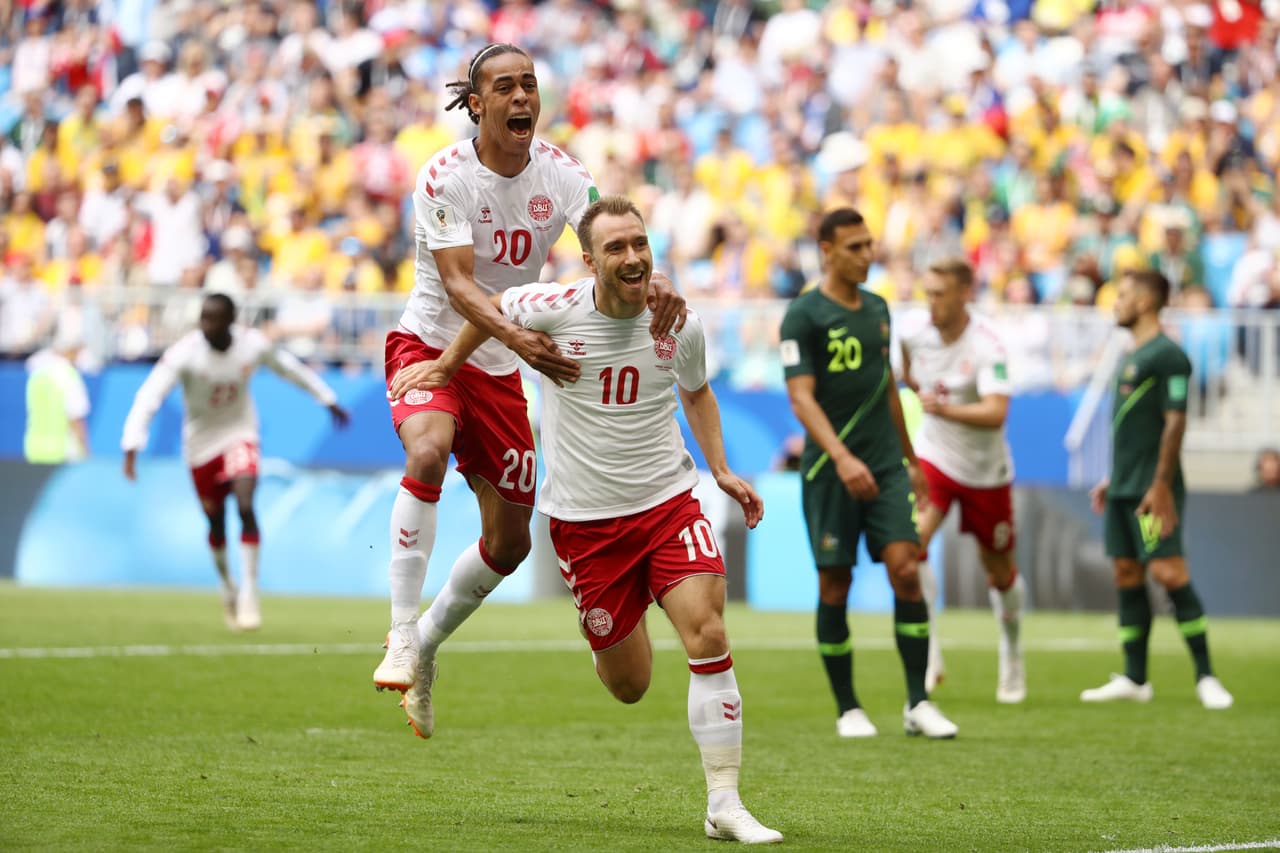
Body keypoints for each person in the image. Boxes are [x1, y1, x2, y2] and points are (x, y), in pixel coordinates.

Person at [392, 195, 781, 844]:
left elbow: (697, 390)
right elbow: (488, 313)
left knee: (708, 631)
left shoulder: (678, 322)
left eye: (640, 244)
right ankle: (587, 626)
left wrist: (719, 468)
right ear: (590, 260)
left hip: (666, 503)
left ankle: (724, 801)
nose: (632, 257)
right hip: (585, 523)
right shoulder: (549, 306)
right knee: (630, 685)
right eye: (617, 247)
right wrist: (445, 366)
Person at [371, 44, 684, 702]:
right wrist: (520, 336)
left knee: (510, 542)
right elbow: (459, 285)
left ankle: (426, 644)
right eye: (505, 88)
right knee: (426, 449)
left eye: (530, 86)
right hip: (429, 346)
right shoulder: (443, 177)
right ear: (477, 105)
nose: (522, 98)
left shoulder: (563, 176)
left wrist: (653, 283)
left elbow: (608, 240)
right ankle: (400, 629)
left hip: (502, 367)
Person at [778, 207, 958, 739]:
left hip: (885, 465)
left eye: (869, 244)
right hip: (833, 472)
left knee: (906, 568)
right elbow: (800, 396)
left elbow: (889, 391)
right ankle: (848, 707)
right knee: (836, 584)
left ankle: (917, 702)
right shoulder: (803, 315)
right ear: (827, 250)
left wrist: (911, 459)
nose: (867, 255)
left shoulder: (880, 310)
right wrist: (840, 456)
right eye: (854, 247)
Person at [121, 293, 349, 631]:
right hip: (199, 445)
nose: (206, 326)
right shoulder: (184, 354)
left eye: (213, 319)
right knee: (215, 523)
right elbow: (150, 395)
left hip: (240, 433)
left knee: (245, 505)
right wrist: (132, 443)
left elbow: (288, 368)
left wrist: (327, 398)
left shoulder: (251, 344)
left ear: (231, 321)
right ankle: (227, 584)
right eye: (203, 318)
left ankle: (249, 595)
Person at [1082, 270, 1233, 710]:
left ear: (1146, 302)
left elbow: (1175, 420)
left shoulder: (1168, 356)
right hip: (1125, 486)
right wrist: (1115, 477)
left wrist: (1161, 484)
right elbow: (1136, 429)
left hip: (1152, 490)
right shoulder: (1130, 354)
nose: (1115, 301)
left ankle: (1207, 676)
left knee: (1169, 574)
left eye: (1123, 294)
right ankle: (1134, 678)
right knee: (1126, 575)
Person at [900, 258, 1026, 704]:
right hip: (935, 458)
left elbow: (996, 413)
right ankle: (931, 652)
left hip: (986, 472)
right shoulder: (914, 334)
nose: (931, 301)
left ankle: (1011, 652)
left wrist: (943, 408)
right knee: (910, 547)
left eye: (940, 293)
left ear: (964, 294)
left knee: (999, 568)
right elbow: (905, 373)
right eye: (927, 291)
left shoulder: (988, 344)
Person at [24, 327, 91, 465]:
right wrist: (85, 450)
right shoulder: (68, 376)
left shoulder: (37, 373)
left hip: (34, 449)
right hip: (63, 452)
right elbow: (76, 418)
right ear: (72, 350)